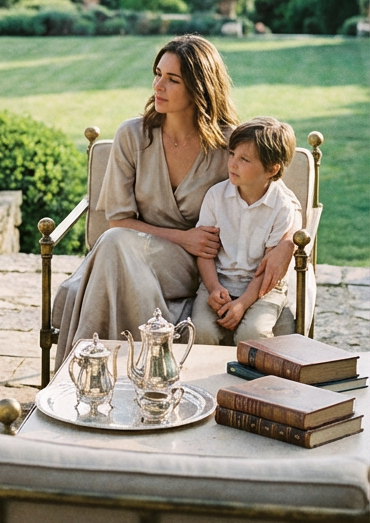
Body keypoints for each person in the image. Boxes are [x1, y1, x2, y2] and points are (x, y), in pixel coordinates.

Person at [52, 35, 296, 362]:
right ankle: (127, 365)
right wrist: (184, 237)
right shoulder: (132, 135)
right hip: (136, 252)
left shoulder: (228, 143)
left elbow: (277, 193)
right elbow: (118, 222)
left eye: (172, 79)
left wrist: (288, 242)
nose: (157, 86)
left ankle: (98, 366)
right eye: (157, 74)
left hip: (198, 266)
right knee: (113, 242)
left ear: (199, 87)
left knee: (113, 245)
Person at [191, 117, 301, 345]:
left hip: (264, 288)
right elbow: (204, 251)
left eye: (244, 159)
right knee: (201, 331)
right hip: (219, 281)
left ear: (271, 169)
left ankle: (254, 380)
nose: (232, 164)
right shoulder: (215, 196)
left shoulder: (282, 206)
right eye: (232, 154)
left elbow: (270, 268)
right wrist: (213, 288)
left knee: (253, 335)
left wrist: (241, 304)